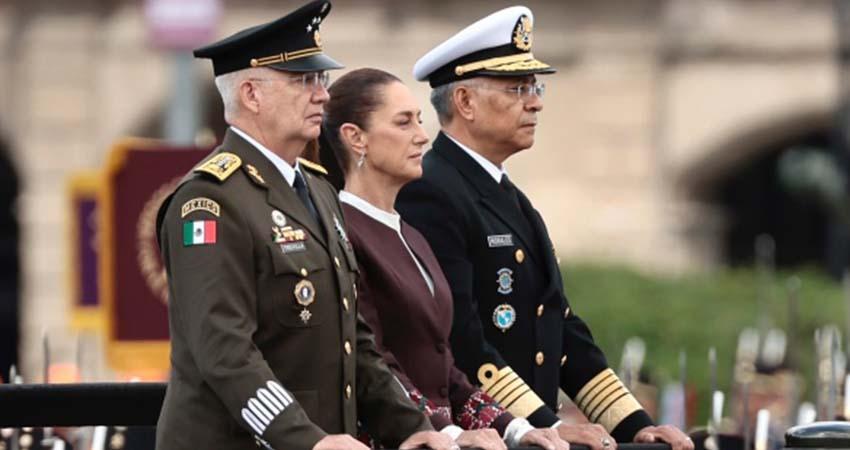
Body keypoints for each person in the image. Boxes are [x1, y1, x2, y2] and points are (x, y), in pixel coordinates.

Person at [154, 2, 453, 449]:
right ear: (252, 95)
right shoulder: (210, 201)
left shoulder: (318, 190)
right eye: (304, 81)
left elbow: (353, 339)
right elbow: (225, 355)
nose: (323, 95)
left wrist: (411, 427)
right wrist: (306, 440)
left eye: (321, 80)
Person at [396, 6, 695, 450]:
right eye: (517, 88)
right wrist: (541, 424)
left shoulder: (511, 200)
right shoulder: (430, 190)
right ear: (464, 102)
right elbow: (460, 338)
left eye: (534, 87)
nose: (535, 101)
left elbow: (563, 331)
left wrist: (633, 425)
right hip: (479, 437)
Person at [317, 68, 571, 450]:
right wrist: (445, 430)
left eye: (420, 120)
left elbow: (444, 365)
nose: (422, 135)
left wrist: (514, 428)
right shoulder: (342, 233)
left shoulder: (411, 235)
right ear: (356, 138)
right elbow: (373, 361)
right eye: (403, 123)